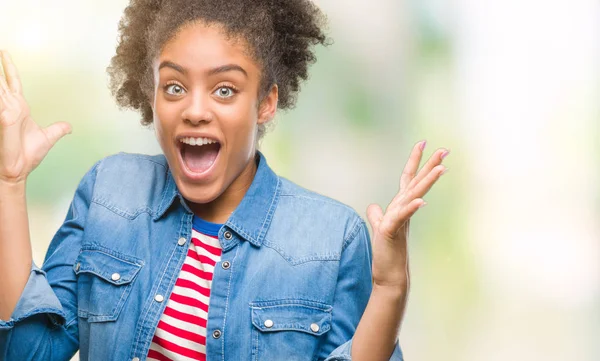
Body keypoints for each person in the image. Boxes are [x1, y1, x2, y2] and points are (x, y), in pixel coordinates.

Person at [0, 0, 449, 360]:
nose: (195, 109)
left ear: (266, 103)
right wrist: (9, 181)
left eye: (225, 89)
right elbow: (28, 352)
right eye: (174, 86)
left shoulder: (330, 240)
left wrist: (390, 290)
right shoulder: (109, 192)